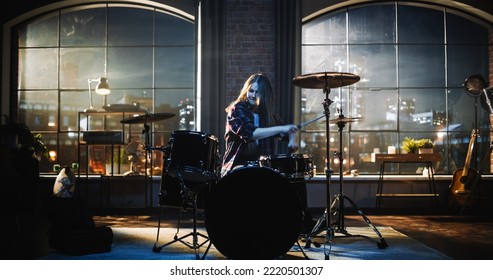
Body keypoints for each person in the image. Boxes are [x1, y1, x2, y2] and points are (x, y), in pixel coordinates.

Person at [220, 73, 317, 234]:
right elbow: (250, 134)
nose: (253, 95)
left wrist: (292, 138)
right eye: (251, 90)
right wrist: (282, 128)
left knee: (295, 175)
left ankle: (302, 221)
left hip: (261, 166)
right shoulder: (237, 109)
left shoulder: (266, 114)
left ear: (265, 95)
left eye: (258, 92)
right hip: (237, 167)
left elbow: (285, 132)